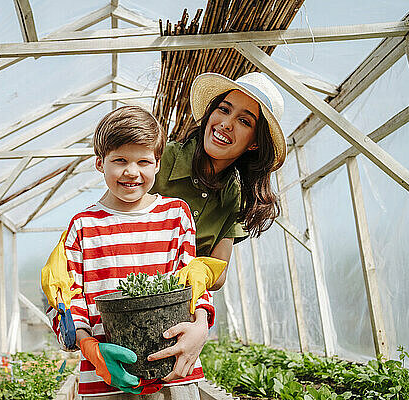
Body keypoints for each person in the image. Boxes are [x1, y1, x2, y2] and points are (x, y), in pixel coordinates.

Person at [43, 106, 219, 399]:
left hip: (175, 371)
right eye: (120, 160)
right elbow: (67, 301)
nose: (132, 172)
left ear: (158, 164)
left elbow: (194, 281)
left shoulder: (176, 214)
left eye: (143, 161)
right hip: (106, 381)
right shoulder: (83, 226)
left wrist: (201, 325)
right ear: (100, 163)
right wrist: (91, 349)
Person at [150, 71, 286, 291]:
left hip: (184, 311)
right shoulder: (160, 159)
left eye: (244, 121)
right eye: (224, 109)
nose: (226, 124)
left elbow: (220, 273)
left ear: (255, 144)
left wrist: (202, 270)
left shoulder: (234, 196)